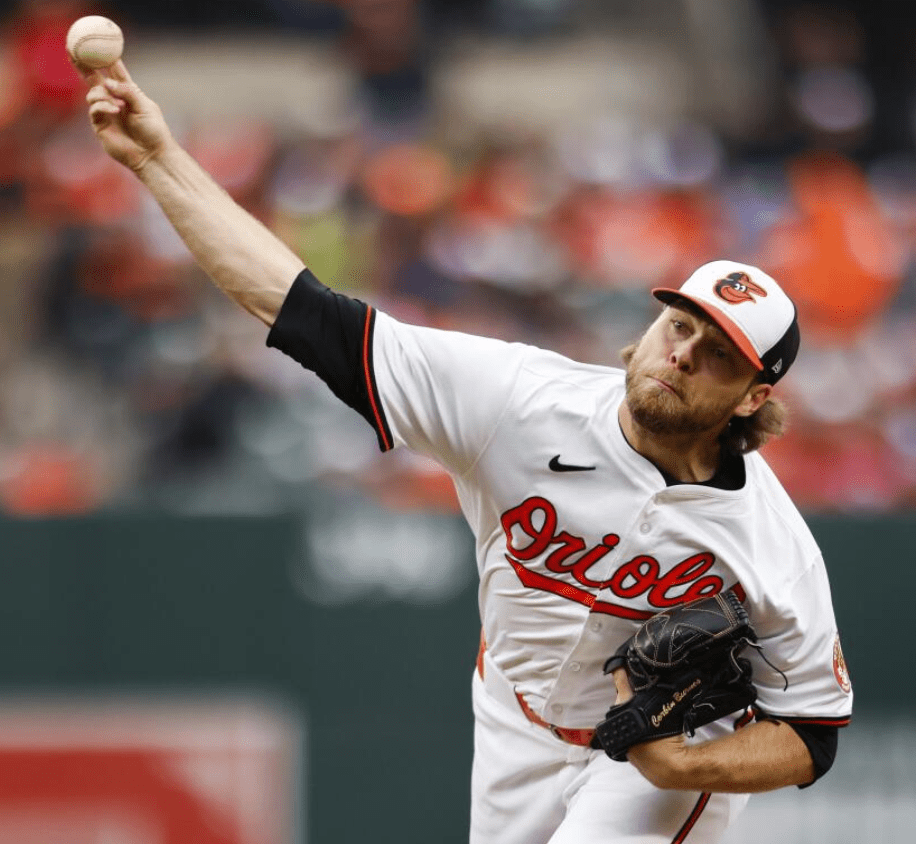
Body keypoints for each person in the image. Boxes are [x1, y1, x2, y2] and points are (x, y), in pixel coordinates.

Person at [79, 59, 853, 844]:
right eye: (679, 326)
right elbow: (301, 311)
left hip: (656, 762)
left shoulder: (771, 543)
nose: (682, 354)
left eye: (719, 354)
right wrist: (157, 159)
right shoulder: (518, 402)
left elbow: (812, 734)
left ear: (753, 397)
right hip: (514, 719)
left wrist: (684, 766)